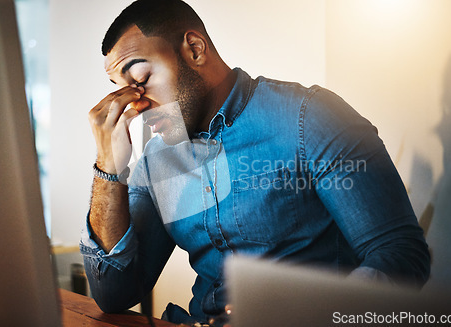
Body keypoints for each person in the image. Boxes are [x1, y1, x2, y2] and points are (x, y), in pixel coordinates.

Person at [80, 0, 431, 325]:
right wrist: (108, 167)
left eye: (140, 80)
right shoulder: (159, 161)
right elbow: (113, 293)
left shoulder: (309, 118)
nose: (135, 107)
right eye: (121, 89)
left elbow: (401, 255)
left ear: (194, 50)